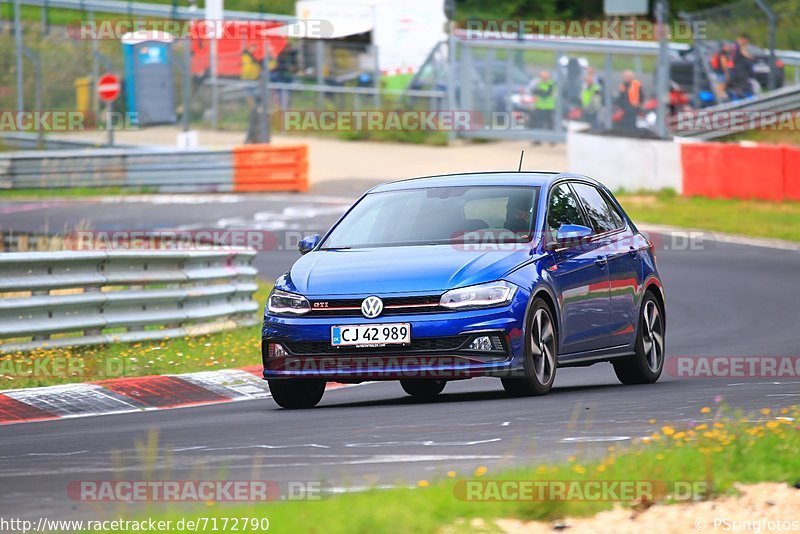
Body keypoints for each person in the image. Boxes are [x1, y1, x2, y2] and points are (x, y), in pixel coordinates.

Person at [728, 33, 754, 99]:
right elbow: (744, 55)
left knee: (743, 86)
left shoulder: (736, 46)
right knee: (743, 87)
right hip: (739, 72)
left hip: (739, 72)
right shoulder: (737, 47)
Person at [616, 70, 642, 134]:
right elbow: (620, 98)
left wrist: (639, 105)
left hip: (633, 110)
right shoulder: (623, 86)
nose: (626, 78)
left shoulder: (635, 85)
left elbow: (641, 96)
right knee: (624, 126)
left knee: (632, 126)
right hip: (624, 110)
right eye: (625, 77)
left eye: (628, 77)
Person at [531, 70, 556, 135]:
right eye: (542, 77)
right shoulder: (538, 83)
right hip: (539, 106)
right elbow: (534, 91)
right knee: (538, 123)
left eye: (545, 77)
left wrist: (541, 91)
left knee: (550, 124)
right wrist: (541, 92)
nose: (544, 78)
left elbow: (548, 93)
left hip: (549, 107)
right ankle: (537, 138)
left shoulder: (551, 84)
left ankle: (552, 138)